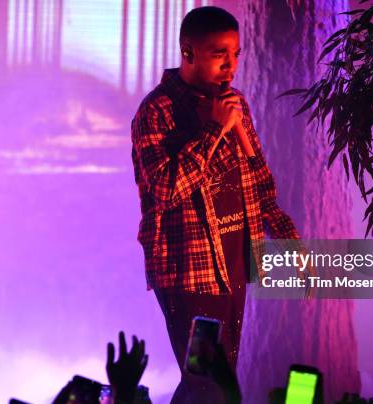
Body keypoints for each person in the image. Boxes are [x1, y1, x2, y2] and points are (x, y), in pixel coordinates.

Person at [130, 5, 311, 403]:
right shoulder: (156, 111)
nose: (230, 65)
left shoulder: (235, 104)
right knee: (205, 381)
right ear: (188, 52)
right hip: (188, 269)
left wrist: (287, 237)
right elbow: (165, 190)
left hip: (232, 260)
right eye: (218, 54)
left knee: (216, 379)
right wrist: (214, 128)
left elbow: (257, 176)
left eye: (236, 54)